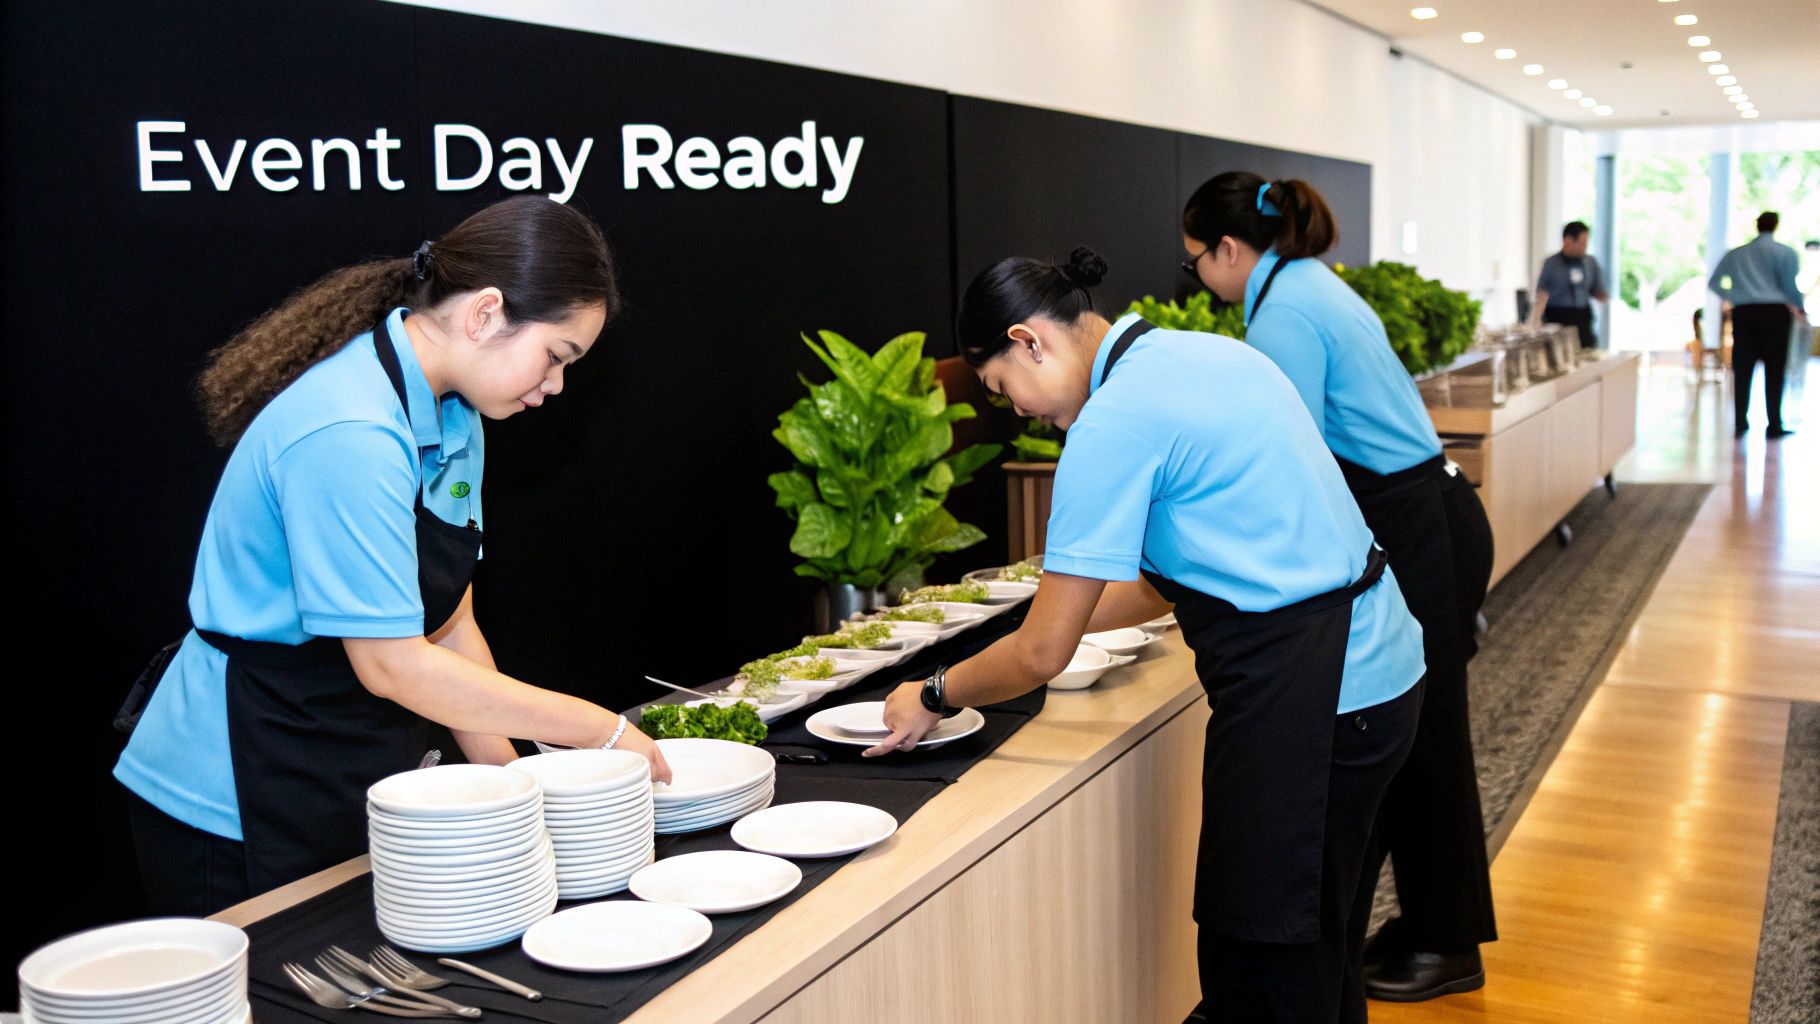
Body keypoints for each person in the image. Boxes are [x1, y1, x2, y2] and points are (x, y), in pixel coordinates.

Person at [869, 247, 1426, 1023]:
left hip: (1314, 697)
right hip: (1381, 673)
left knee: (1262, 966)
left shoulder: (1116, 419)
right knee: (1318, 952)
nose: (1018, 410)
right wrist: (1024, 620)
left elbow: (1043, 655)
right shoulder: (1201, 354)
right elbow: (1172, 578)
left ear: (1030, 341)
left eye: (1003, 388)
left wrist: (933, 691)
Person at [114, 196, 672, 916]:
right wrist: (600, 728)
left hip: (340, 754)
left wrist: (516, 789)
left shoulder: (457, 413)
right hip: (232, 789)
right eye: (555, 356)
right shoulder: (349, 429)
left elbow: (448, 623)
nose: (556, 385)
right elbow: (391, 663)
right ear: (485, 314)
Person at [1180, 172, 1498, 1003]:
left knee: (1425, 746)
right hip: (1428, 507)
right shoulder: (1311, 283)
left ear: (1227, 250)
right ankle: (1430, 927)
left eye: (1197, 264)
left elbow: (1288, 455)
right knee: (1419, 743)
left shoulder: (1282, 312)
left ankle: (1444, 939)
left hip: (1411, 517)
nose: (1202, 285)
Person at [1708, 212, 1808, 439]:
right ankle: (1774, 423)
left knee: (1742, 368)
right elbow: (1789, 286)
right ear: (1775, 226)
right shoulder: (1785, 253)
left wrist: (1732, 295)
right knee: (1775, 369)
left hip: (1745, 313)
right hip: (1775, 314)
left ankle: (1740, 422)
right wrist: (1799, 306)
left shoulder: (1736, 255)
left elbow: (1714, 283)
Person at [1530, 221, 1609, 350]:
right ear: (1568, 240)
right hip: (1558, 317)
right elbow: (1542, 293)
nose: (1585, 247)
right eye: (1582, 243)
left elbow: (1599, 291)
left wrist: (1603, 296)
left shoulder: (1590, 262)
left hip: (1582, 317)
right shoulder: (1551, 263)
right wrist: (1535, 321)